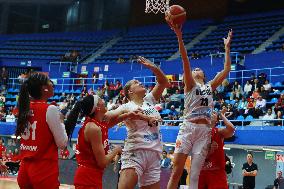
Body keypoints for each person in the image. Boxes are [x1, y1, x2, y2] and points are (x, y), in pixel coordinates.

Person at [167, 25, 232, 189]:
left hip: (204, 131)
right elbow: (185, 59)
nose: (195, 69)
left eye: (198, 69)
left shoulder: (210, 86)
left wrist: (227, 48)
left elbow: (226, 70)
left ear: (203, 75)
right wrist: (179, 36)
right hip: (188, 127)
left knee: (195, 174)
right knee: (176, 171)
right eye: (193, 69)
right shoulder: (189, 84)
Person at [106, 56, 168, 189]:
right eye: (136, 82)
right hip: (136, 152)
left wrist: (153, 67)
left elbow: (163, 81)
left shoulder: (150, 100)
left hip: (154, 154)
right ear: (130, 91)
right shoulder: (126, 106)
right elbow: (107, 117)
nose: (140, 82)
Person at [65, 94, 149, 189]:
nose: (104, 101)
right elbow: (102, 162)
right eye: (100, 99)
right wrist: (117, 150)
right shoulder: (93, 128)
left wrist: (128, 115)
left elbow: (111, 123)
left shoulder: (97, 124)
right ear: (97, 108)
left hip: (92, 176)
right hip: (87, 178)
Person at [15, 72, 68, 189]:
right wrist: (62, 122)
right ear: (44, 88)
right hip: (43, 170)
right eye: (50, 82)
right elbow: (62, 143)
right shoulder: (50, 109)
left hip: (25, 170)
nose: (52, 84)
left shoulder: (24, 107)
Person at [198, 109, 235, 189]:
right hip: (202, 171)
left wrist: (222, 115)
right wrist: (210, 151)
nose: (211, 114)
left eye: (214, 113)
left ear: (217, 120)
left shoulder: (219, 132)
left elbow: (231, 129)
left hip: (217, 172)